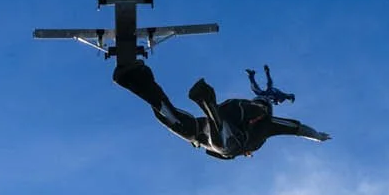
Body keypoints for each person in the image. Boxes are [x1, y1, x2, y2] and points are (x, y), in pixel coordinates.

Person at [110, 52, 327, 160]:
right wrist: (317, 136)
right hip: (217, 137)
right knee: (176, 119)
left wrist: (317, 136)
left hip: (206, 133)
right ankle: (137, 79)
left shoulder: (252, 113)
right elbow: (298, 129)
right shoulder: (267, 123)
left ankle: (136, 78)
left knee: (172, 117)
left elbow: (298, 129)